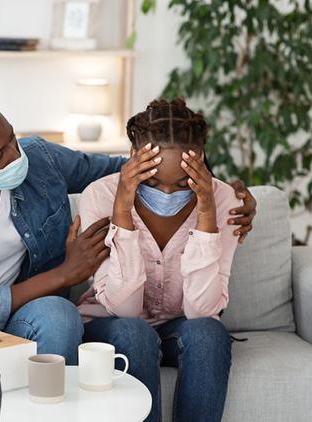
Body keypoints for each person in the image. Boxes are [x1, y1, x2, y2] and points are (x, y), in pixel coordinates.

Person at [0, 93, 257, 365]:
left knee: (59, 316)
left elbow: (138, 167)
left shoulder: (40, 158)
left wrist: (219, 187)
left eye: (12, 140)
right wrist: (66, 274)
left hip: (21, 313)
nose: (16, 156)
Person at [78, 98, 241, 422]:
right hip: (112, 326)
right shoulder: (100, 195)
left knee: (209, 333)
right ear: (132, 160)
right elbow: (123, 309)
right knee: (134, 332)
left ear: (201, 163)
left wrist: (207, 212)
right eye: (152, 181)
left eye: (182, 184)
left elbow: (202, 311)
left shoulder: (223, 200)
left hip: (177, 327)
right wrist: (122, 209)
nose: (166, 192)